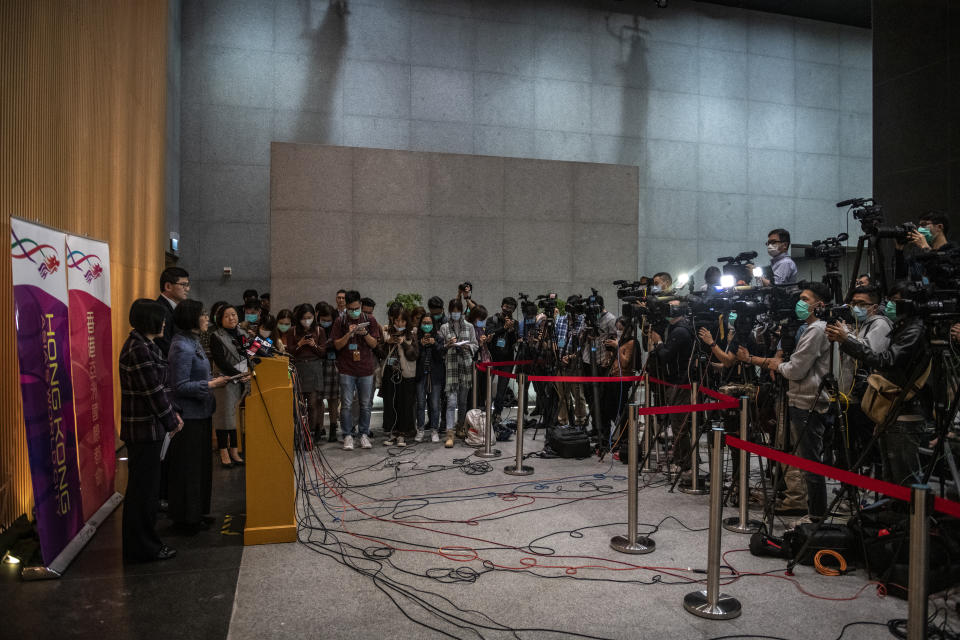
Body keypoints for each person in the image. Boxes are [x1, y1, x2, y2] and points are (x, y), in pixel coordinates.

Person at [740, 282, 833, 520]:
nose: (799, 303)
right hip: (800, 398)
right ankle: (808, 508)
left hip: (808, 400)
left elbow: (795, 370)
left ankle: (816, 515)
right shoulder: (809, 328)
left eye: (805, 299)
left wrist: (770, 364)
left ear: (819, 304)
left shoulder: (816, 330)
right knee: (802, 457)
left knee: (811, 463)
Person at [827, 282, 930, 485]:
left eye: (894, 301)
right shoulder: (903, 327)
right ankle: (892, 512)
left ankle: (906, 515)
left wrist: (847, 340)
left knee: (904, 477)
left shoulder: (913, 330)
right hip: (889, 407)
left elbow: (885, 360)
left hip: (904, 409)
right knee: (891, 476)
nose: (889, 305)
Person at [119, 299, 183, 563]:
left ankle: (145, 544)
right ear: (149, 320)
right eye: (160, 318)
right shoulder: (138, 349)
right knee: (142, 494)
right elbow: (152, 392)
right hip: (143, 430)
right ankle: (143, 547)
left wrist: (172, 415)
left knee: (147, 492)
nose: (165, 322)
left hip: (151, 428)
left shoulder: (146, 344)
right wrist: (172, 420)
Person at [166, 300, 230, 534]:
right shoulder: (181, 346)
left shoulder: (194, 341)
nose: (206, 318)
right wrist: (212, 383)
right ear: (191, 318)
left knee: (200, 467)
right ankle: (186, 518)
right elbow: (179, 386)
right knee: (188, 470)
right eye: (203, 314)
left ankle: (198, 513)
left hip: (201, 412)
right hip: (188, 417)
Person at [828, 286, 892, 466]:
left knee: (869, 446)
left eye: (862, 304)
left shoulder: (880, 323)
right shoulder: (861, 325)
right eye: (854, 303)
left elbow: (871, 351)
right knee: (849, 446)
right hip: (852, 395)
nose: (856, 307)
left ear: (874, 306)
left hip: (869, 395)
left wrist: (846, 336)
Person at [329, 290, 382, 450]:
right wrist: (349, 334)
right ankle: (347, 435)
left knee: (365, 404)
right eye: (351, 309)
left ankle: (364, 434)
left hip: (366, 368)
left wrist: (364, 333)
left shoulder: (369, 320)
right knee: (346, 404)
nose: (354, 311)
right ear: (346, 307)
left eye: (356, 308)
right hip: (347, 368)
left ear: (360, 305)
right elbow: (336, 345)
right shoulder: (340, 321)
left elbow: (374, 344)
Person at [647, 301, 695, 474]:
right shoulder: (675, 328)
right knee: (678, 424)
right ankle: (682, 459)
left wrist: (658, 342)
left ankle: (684, 463)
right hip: (674, 380)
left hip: (680, 382)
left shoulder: (681, 331)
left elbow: (666, 355)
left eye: (669, 307)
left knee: (679, 425)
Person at [209, 304, 251, 468]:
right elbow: (221, 361)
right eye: (227, 316)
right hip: (224, 380)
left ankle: (234, 450)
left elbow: (248, 355)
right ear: (220, 319)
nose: (231, 318)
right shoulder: (216, 336)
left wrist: (247, 371)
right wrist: (240, 374)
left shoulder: (243, 334)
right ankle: (223, 451)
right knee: (223, 417)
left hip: (242, 380)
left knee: (234, 419)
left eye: (233, 314)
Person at [437, 299, 477, 447]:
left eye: (458, 310)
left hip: (465, 366)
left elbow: (475, 344)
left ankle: (461, 427)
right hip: (451, 367)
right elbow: (439, 348)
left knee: (463, 401)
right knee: (451, 402)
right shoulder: (444, 327)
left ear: (461, 311)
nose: (455, 313)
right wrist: (448, 345)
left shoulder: (469, 326)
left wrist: (467, 347)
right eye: (453, 311)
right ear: (449, 311)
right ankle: (450, 433)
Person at [286, 304, 327, 441]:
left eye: (309, 318)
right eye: (304, 318)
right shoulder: (292, 331)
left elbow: (323, 352)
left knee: (313, 403)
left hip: (314, 367)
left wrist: (313, 344)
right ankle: (300, 433)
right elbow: (289, 352)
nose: (306, 320)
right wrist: (300, 343)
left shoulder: (319, 330)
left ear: (314, 317)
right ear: (299, 319)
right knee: (299, 404)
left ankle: (312, 433)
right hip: (299, 368)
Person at [380, 309, 419, 447]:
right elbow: (380, 353)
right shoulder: (387, 333)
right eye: (397, 320)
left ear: (406, 321)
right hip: (390, 374)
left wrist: (403, 343)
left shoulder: (412, 335)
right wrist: (388, 342)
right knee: (391, 404)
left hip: (406, 374)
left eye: (402, 320)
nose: (399, 323)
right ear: (393, 320)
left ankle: (402, 434)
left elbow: (413, 355)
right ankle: (392, 433)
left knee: (405, 405)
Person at [599, 317, 638, 446]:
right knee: (607, 408)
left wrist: (617, 347)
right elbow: (609, 362)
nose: (618, 331)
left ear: (628, 329)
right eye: (617, 328)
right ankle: (608, 435)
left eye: (621, 328)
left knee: (621, 410)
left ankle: (623, 437)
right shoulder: (619, 341)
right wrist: (608, 354)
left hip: (623, 380)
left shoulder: (632, 342)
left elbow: (626, 363)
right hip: (612, 378)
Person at [895, 211, 953, 281]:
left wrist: (926, 248)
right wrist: (899, 249)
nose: (920, 229)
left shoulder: (953, 252)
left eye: (924, 225)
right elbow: (900, 275)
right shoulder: (919, 255)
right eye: (919, 226)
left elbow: (941, 274)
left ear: (939, 227)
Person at [556, 296, 587, 427]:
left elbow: (583, 345)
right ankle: (563, 421)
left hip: (576, 363)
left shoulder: (583, 321)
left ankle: (581, 420)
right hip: (560, 361)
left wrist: (571, 356)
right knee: (562, 396)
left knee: (578, 395)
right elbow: (555, 340)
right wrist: (560, 357)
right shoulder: (560, 320)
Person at [486, 297, 518, 423]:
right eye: (506, 306)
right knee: (486, 387)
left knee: (501, 390)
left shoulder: (515, 323)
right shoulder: (492, 319)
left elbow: (515, 342)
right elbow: (490, 333)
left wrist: (511, 331)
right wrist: (504, 328)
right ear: (501, 306)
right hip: (492, 359)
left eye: (511, 308)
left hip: (507, 361)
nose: (508, 309)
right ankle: (484, 411)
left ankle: (497, 413)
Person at [415, 313, 445, 442]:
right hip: (420, 375)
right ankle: (420, 429)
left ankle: (434, 430)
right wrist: (420, 344)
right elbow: (413, 357)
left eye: (429, 323)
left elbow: (441, 356)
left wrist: (434, 344)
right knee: (420, 404)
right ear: (421, 324)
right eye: (424, 323)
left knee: (434, 404)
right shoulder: (416, 338)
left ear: (433, 325)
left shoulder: (438, 337)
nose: (426, 325)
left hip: (435, 376)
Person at [314, 303, 340, 442]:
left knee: (333, 399)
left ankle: (333, 428)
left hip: (332, 364)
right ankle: (318, 428)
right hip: (317, 364)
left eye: (328, 319)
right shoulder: (315, 330)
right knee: (318, 399)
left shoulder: (337, 329)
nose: (325, 322)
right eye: (323, 319)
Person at [155, 267, 190, 356]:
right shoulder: (159, 310)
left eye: (188, 285)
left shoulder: (176, 308)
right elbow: (165, 347)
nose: (187, 289)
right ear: (168, 286)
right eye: (183, 285)